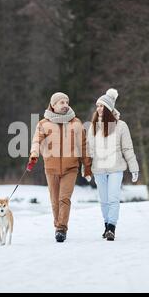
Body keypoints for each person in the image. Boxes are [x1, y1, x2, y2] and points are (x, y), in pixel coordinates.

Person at [29, 92, 92, 242]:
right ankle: (58, 224)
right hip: (51, 168)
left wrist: (87, 166)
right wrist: (34, 154)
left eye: (66, 102)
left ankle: (61, 229)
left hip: (71, 168)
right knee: (55, 200)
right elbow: (36, 141)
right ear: (53, 105)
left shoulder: (76, 123)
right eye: (61, 102)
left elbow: (84, 146)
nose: (65, 105)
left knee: (64, 198)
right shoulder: (43, 124)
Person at [87, 88, 139, 241]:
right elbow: (88, 150)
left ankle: (111, 228)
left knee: (113, 198)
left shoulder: (121, 126)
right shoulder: (93, 126)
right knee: (103, 199)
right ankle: (106, 225)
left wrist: (134, 167)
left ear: (109, 108)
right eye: (97, 106)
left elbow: (128, 148)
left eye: (102, 106)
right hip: (98, 169)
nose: (99, 108)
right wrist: (86, 169)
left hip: (116, 168)